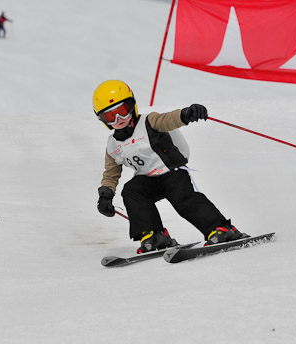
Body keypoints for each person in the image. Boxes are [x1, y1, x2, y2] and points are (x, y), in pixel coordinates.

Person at [94, 79, 247, 254]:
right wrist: (106, 195)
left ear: (132, 105)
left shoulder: (149, 122)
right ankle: (154, 235)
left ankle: (221, 229)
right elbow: (111, 173)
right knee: (131, 191)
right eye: (109, 116)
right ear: (102, 119)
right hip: (147, 180)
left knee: (184, 200)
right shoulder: (113, 144)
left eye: (122, 111)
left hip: (171, 173)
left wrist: (186, 114)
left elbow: (168, 120)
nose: (118, 119)